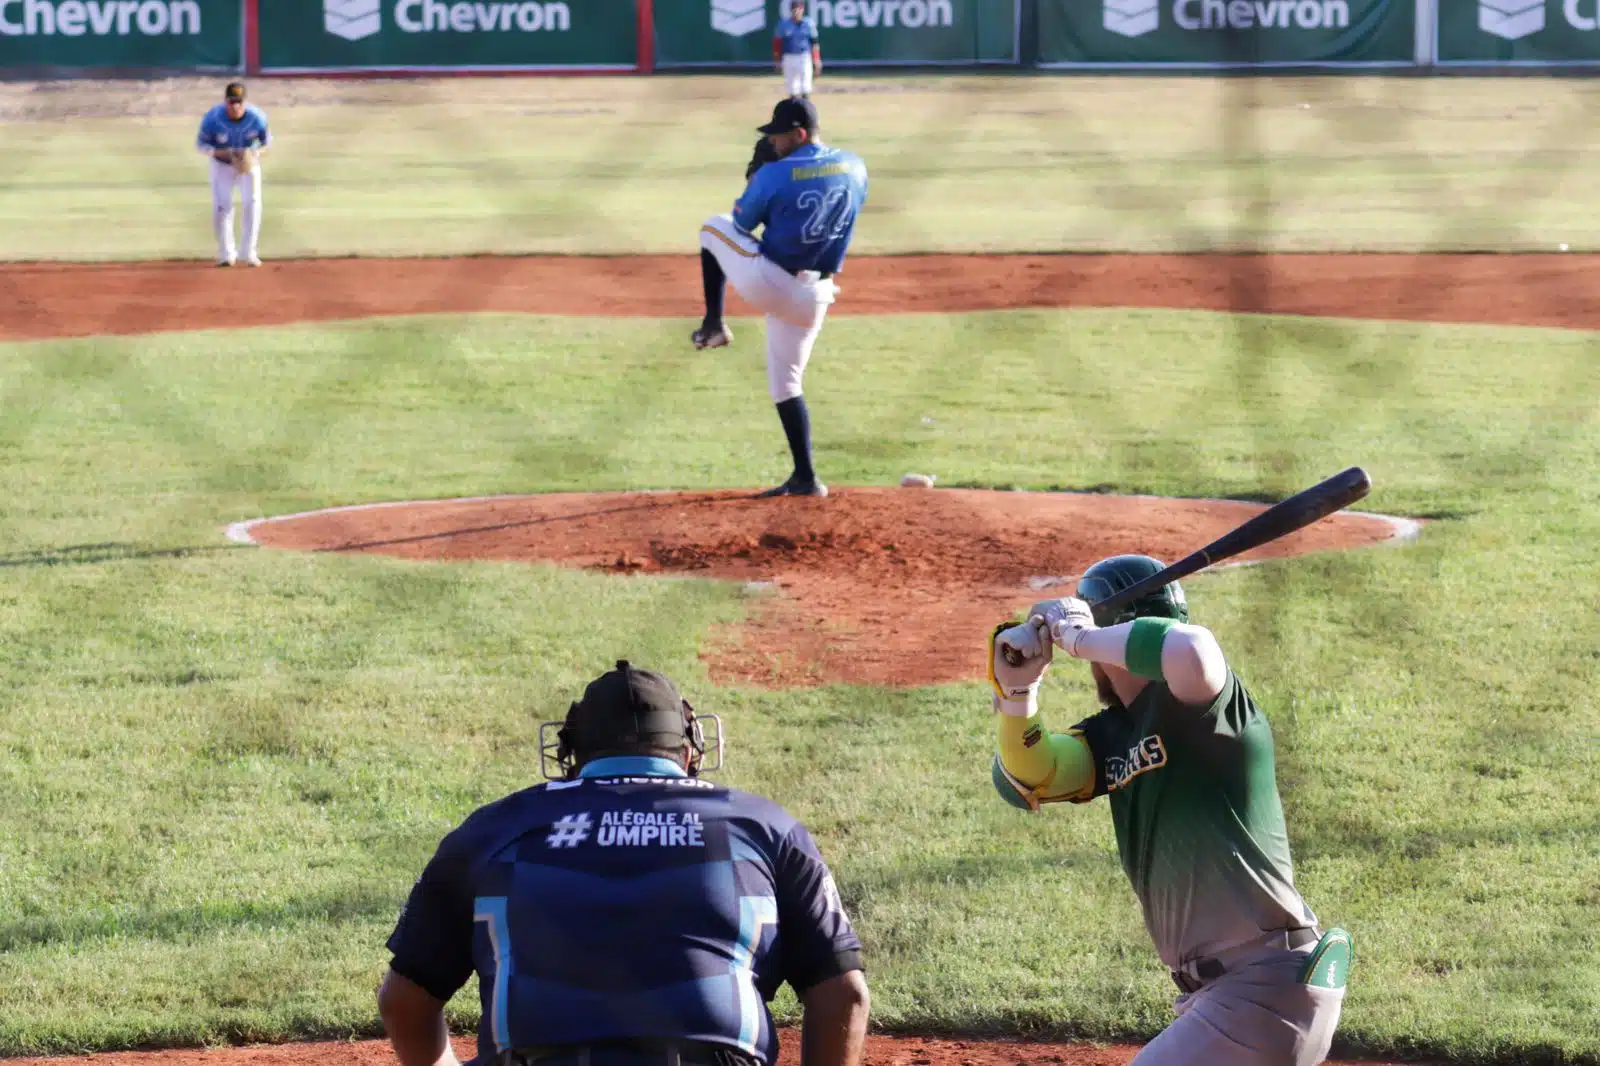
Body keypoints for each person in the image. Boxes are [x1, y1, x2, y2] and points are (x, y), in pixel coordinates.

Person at [377, 660, 870, 1066]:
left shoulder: (492, 830)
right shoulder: (765, 826)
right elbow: (843, 994)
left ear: (570, 752)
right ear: (690, 749)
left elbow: (405, 1001)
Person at [985, 555, 1352, 1066]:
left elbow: (1192, 647)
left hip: (1263, 984)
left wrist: (1078, 636)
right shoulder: (1113, 735)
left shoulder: (1206, 706)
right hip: (1236, 993)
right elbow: (1028, 776)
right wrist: (1018, 693)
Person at [695, 97, 868, 499]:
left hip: (772, 281)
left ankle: (714, 324)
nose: (772, 141)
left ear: (799, 134)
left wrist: (757, 180)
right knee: (785, 384)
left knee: (711, 227)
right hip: (817, 297)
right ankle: (806, 478)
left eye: (777, 134)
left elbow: (742, 224)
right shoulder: (856, 165)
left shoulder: (775, 174)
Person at [195, 81, 270, 267]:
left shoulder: (257, 117)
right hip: (222, 165)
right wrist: (220, 153)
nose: (235, 106)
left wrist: (254, 154)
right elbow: (201, 145)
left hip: (248, 165)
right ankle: (227, 253)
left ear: (244, 102)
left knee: (252, 203)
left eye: (239, 102)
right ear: (225, 102)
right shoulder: (213, 118)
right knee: (222, 206)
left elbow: (267, 142)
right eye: (231, 102)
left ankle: (249, 252)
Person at [773, 1, 821, 100]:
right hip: (789, 57)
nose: (796, 11)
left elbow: (814, 43)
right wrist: (777, 60)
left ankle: (805, 111)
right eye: (794, 9)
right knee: (792, 88)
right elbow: (777, 43)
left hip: (804, 56)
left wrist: (816, 60)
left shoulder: (808, 23)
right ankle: (794, 112)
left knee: (805, 86)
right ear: (791, 10)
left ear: (802, 10)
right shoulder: (784, 24)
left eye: (799, 9)